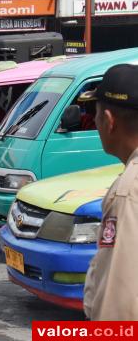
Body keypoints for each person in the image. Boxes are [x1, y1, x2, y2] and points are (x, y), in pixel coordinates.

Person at [83, 64, 138, 321]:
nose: (94, 123)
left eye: (93, 115)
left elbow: (118, 297)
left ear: (108, 120)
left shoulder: (129, 190)